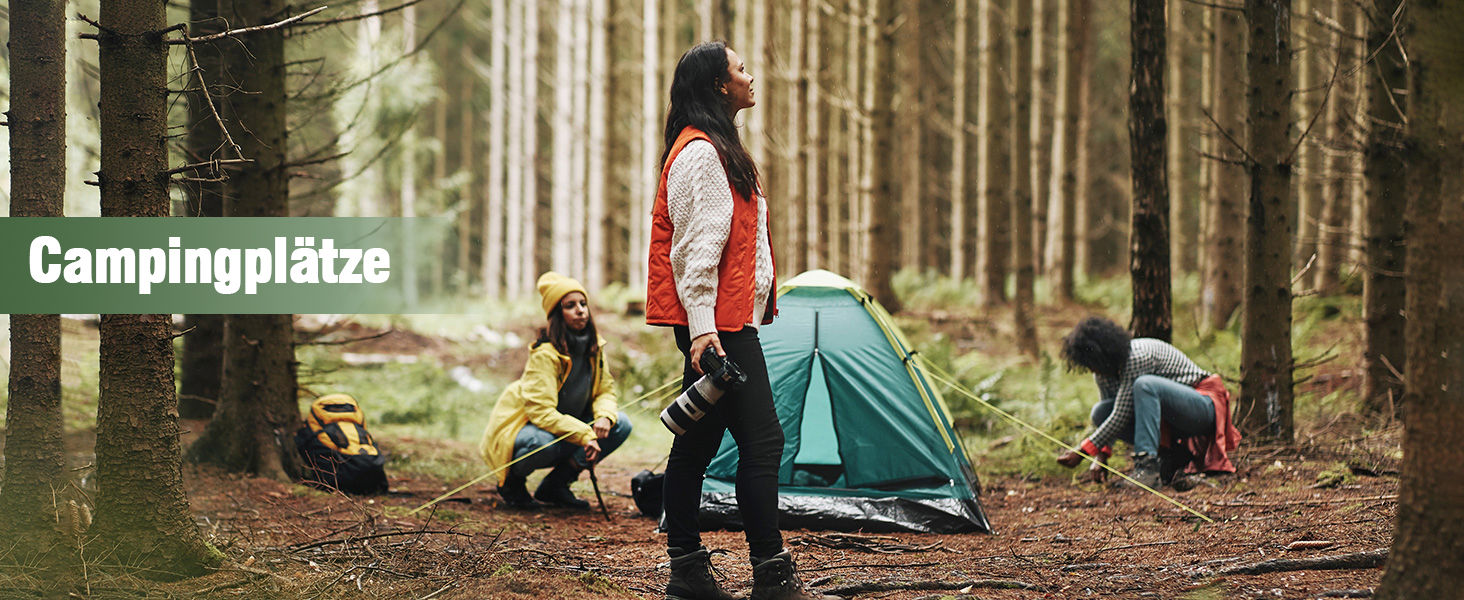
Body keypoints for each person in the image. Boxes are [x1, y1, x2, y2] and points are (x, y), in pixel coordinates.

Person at [646, 42, 839, 600]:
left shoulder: (715, 148)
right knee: (764, 443)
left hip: (722, 320)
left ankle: (685, 569)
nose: (751, 76)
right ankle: (771, 575)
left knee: (695, 446)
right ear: (717, 85)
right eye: (741, 69)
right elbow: (696, 251)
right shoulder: (702, 154)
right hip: (720, 326)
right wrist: (704, 331)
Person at [479, 272, 633, 510]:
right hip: (531, 428)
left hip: (568, 426)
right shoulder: (545, 354)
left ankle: (557, 484)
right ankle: (512, 483)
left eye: (583, 304)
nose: (580, 310)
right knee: (540, 443)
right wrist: (584, 433)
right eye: (570, 306)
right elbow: (541, 413)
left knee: (620, 423)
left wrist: (603, 416)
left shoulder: (595, 347)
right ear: (557, 314)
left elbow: (605, 390)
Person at [1055, 316, 1241, 488]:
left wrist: (1082, 450)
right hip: (1171, 421)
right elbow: (1109, 418)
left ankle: (1147, 468)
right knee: (1100, 411)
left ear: (1104, 353)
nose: (1093, 369)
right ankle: (1174, 455)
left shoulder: (1136, 358)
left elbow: (1121, 415)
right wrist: (1101, 456)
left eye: (1093, 362)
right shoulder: (1103, 374)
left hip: (1202, 409)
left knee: (1145, 384)